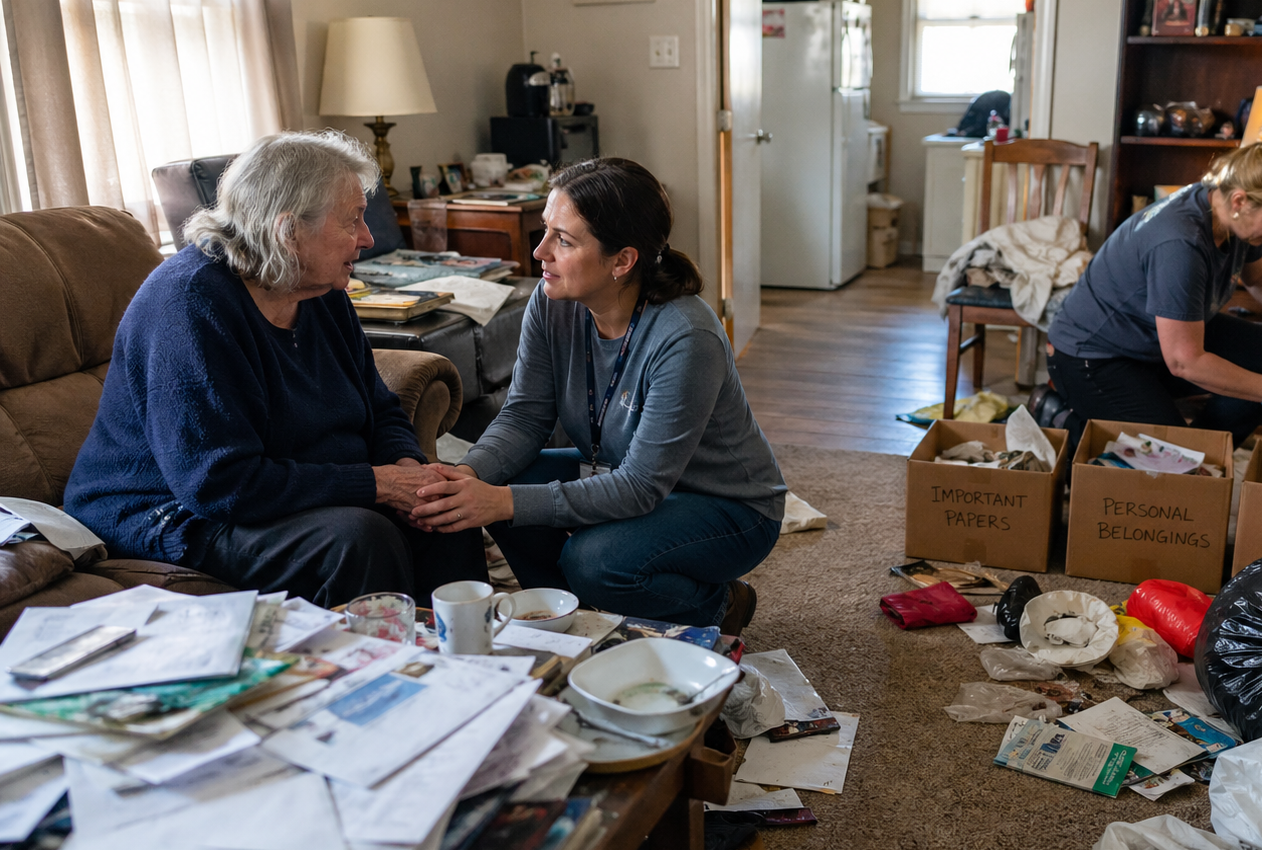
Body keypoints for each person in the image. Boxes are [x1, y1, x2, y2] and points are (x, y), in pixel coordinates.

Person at [65, 131, 481, 606]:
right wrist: (379, 485)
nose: (367, 238)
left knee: (450, 510)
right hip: (174, 510)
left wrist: (410, 472)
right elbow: (219, 484)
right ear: (289, 232)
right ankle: (380, 654)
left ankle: (469, 651)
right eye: (352, 221)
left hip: (283, 490)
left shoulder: (318, 289)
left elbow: (379, 407)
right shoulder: (188, 306)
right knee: (359, 538)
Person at [408, 157, 786, 633]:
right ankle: (574, 614)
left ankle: (718, 605)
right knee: (504, 478)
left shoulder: (687, 336)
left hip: (728, 506)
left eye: (563, 240)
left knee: (593, 560)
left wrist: (500, 501)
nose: (540, 252)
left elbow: (641, 486)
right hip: (621, 470)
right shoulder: (551, 302)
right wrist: (466, 477)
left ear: (622, 261)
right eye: (545, 231)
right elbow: (524, 417)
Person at [1044, 116, 1262, 448]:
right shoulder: (1180, 244)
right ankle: (1064, 419)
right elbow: (1185, 362)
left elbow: (1260, 275)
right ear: (1240, 201)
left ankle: (1206, 450)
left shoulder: (1227, 209)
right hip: (1093, 358)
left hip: (1154, 339)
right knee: (1172, 457)